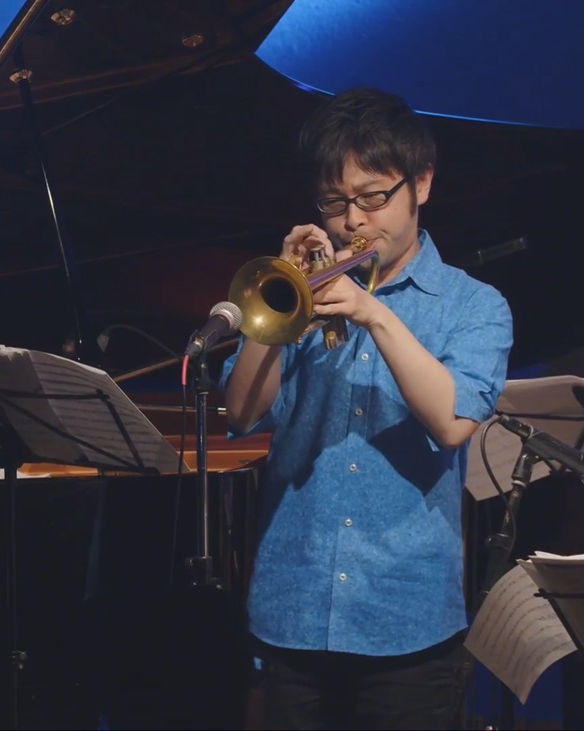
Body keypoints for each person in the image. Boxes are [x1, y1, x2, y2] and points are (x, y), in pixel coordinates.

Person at [219, 87, 513, 729]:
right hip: (292, 610)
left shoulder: (474, 306)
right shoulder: (309, 290)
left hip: (405, 621)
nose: (352, 221)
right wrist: (277, 311)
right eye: (335, 203)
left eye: (373, 198)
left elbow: (452, 422)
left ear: (421, 184)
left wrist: (373, 312)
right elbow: (240, 414)